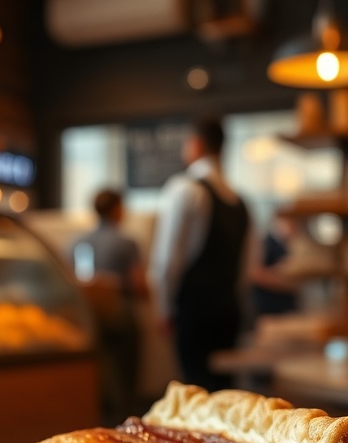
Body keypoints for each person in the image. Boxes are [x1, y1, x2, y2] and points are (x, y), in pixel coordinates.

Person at [149, 118, 250, 391]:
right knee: (226, 392)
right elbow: (244, 270)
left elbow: (168, 260)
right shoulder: (240, 202)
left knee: (196, 392)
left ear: (195, 144)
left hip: (195, 311)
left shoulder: (185, 189)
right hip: (229, 310)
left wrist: (163, 308)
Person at [69, 189, 146, 423]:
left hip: (89, 320)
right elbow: (139, 285)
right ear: (117, 209)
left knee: (97, 378)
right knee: (125, 381)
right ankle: (126, 428)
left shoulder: (77, 243)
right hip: (120, 317)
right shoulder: (126, 242)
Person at [249, 211, 299, 320]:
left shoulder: (289, 245)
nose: (293, 227)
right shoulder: (265, 243)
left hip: (287, 307)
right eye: (289, 222)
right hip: (269, 306)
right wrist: (282, 280)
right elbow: (255, 274)